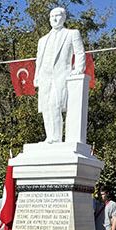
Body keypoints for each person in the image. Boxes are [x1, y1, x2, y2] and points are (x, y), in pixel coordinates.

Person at [34, 6, 86, 143]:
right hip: (45, 76)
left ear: (64, 17)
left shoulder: (72, 33)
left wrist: (78, 69)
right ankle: (49, 136)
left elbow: (79, 52)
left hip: (61, 75)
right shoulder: (42, 40)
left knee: (55, 105)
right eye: (52, 16)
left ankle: (56, 137)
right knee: (45, 107)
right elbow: (39, 60)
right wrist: (36, 76)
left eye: (57, 15)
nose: (55, 19)